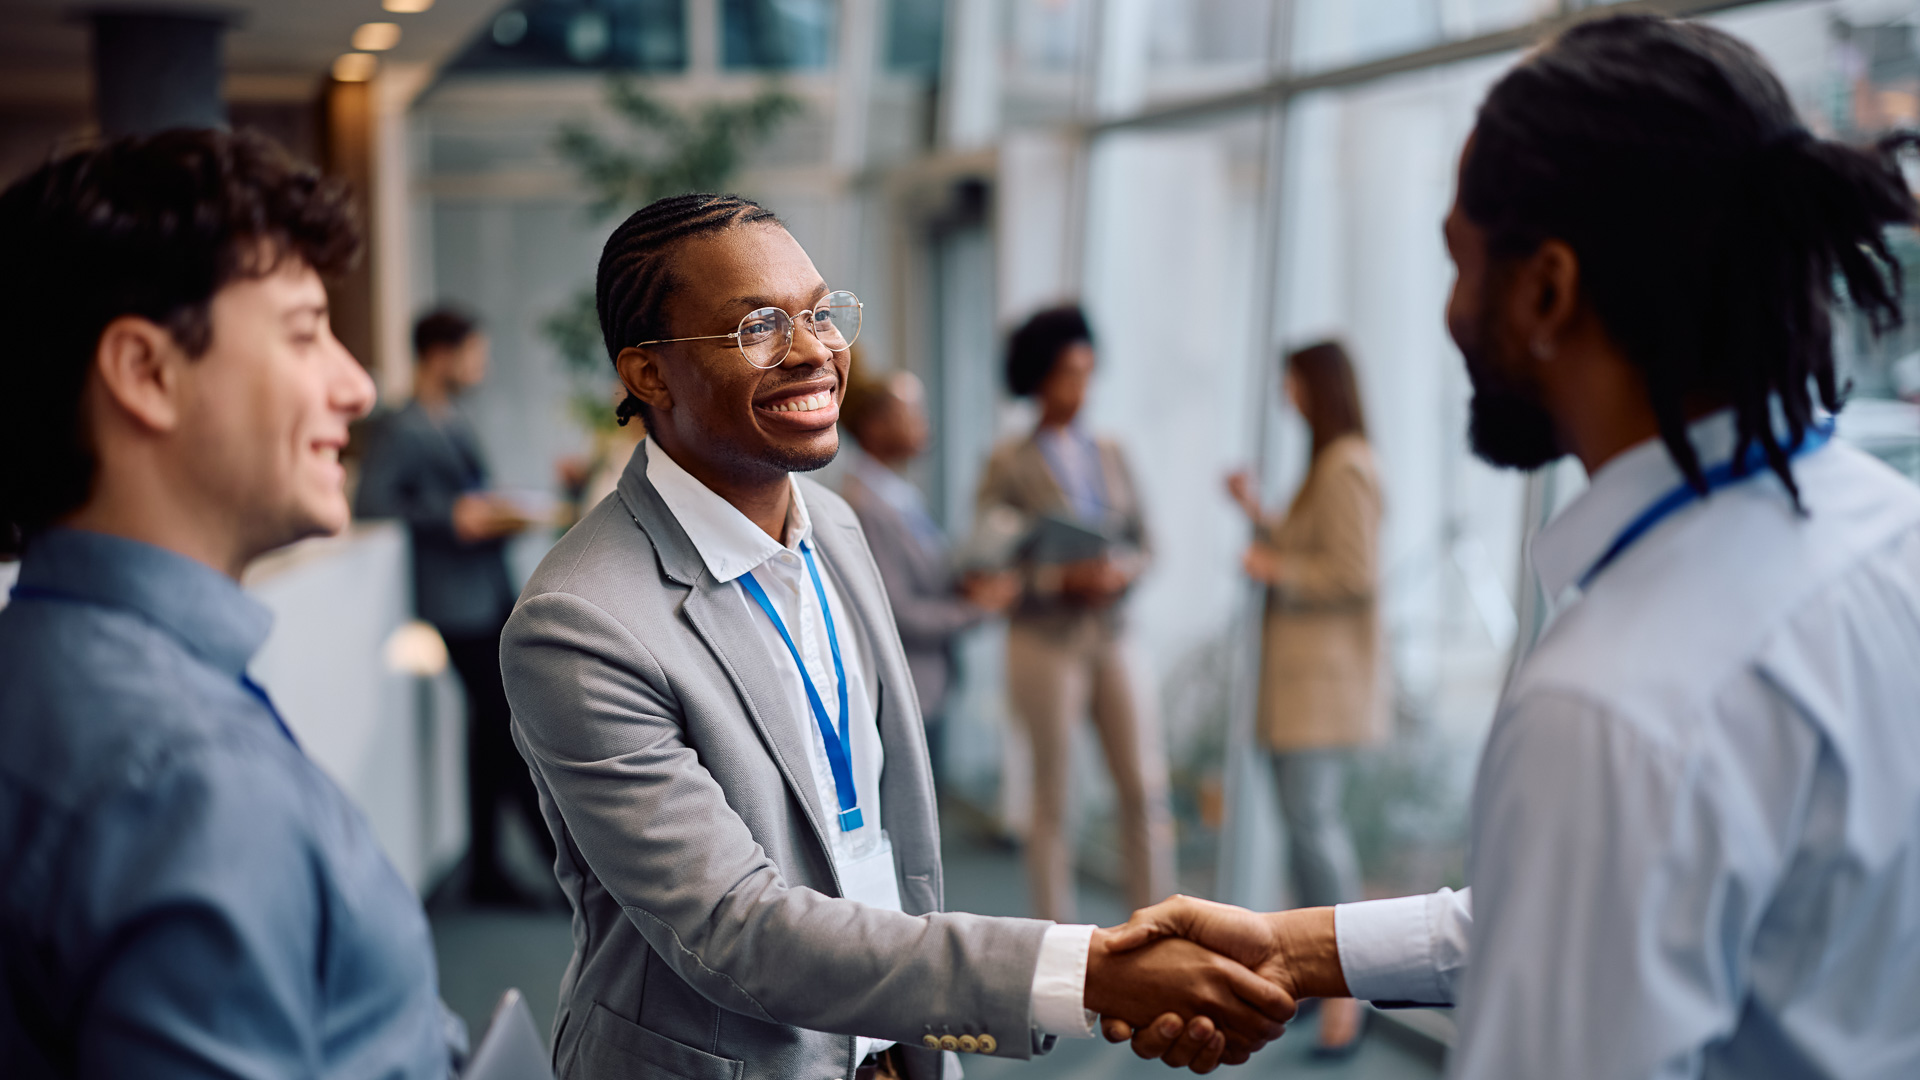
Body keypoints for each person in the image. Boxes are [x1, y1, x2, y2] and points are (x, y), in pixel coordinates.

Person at [1103, 14, 1920, 1078]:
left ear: (1546, 289)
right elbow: (1621, 907)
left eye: (1459, 260)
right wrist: (1298, 950)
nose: (1449, 312)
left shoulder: (1617, 703)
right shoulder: (1889, 529)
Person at [498, 193, 1294, 1080]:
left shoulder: (835, 527)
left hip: (899, 1050)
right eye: (759, 327)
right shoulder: (580, 624)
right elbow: (735, 929)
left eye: (820, 314)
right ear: (649, 374)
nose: (815, 351)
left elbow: (885, 844)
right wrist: (1088, 975)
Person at [0, 129, 455, 1077]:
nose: (356, 386)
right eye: (304, 332)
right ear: (146, 373)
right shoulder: (187, 776)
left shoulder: (42, 664)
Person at [975, 305, 1175, 923]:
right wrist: (1062, 579)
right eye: (1068, 374)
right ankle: (1059, 945)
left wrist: (1122, 572)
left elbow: (1147, 543)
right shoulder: (1008, 462)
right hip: (1045, 640)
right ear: (1039, 378)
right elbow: (988, 565)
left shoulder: (1111, 452)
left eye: (1088, 373)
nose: (1081, 388)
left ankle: (1161, 930)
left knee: (1144, 789)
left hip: (1112, 634)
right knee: (1054, 796)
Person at [1223, 339, 1384, 1057]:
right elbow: (1306, 546)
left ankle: (1353, 992)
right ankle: (1322, 978)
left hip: (1322, 689)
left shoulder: (1348, 464)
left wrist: (1273, 567)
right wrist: (1257, 513)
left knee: (1316, 833)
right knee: (1303, 834)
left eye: (1291, 382)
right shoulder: (1328, 461)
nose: (1285, 395)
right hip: (1299, 688)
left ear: (1316, 385)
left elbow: (1353, 572)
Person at [357, 308, 550, 906]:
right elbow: (372, 502)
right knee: (505, 722)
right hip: (454, 602)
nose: (480, 368)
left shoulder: (454, 422)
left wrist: (493, 515)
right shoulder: (404, 427)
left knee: (492, 729)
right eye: (472, 354)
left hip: (487, 589)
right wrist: (450, 518)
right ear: (440, 354)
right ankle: (540, 861)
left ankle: (492, 869)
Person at [840, 362, 1019, 776]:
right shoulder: (866, 506)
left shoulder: (897, 493)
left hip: (928, 682)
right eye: (912, 414)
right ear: (874, 426)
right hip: (904, 688)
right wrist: (977, 609)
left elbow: (924, 579)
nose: (925, 426)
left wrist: (965, 584)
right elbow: (896, 612)